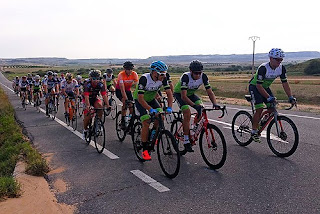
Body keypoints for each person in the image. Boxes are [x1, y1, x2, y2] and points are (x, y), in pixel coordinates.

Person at [249, 48, 296, 142]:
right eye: (277, 59)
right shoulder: (263, 68)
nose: (279, 62)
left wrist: (290, 96)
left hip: (265, 87)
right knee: (259, 108)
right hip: (255, 87)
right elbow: (259, 86)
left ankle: (262, 120)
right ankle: (254, 131)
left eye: (281, 60)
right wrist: (268, 97)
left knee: (272, 106)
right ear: (271, 58)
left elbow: (285, 83)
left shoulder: (281, 68)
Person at [173, 60, 220, 152]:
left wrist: (215, 103)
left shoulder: (204, 77)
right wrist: (194, 106)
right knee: (187, 114)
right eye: (196, 73)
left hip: (191, 94)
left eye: (199, 73)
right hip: (180, 94)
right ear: (191, 71)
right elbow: (183, 96)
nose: (198, 75)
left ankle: (193, 128)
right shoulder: (186, 77)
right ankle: (186, 140)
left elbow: (210, 92)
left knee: (201, 108)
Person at [133, 61, 173, 160]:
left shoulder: (163, 78)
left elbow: (169, 94)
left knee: (161, 117)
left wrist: (170, 107)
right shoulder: (144, 79)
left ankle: (153, 134)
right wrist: (150, 110)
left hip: (151, 99)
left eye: (165, 73)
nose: (164, 76)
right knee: (146, 121)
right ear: (154, 72)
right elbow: (141, 99)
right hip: (140, 101)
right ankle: (145, 150)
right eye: (162, 74)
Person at [82, 70, 111, 139]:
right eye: (94, 79)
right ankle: (85, 130)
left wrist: (108, 105)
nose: (96, 80)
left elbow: (104, 95)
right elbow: (86, 97)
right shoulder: (87, 84)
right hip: (86, 99)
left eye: (97, 78)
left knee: (100, 107)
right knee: (88, 116)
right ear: (91, 78)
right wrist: (88, 106)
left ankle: (98, 123)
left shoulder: (101, 84)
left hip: (94, 98)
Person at [115, 61, 139, 128]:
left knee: (131, 106)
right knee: (125, 103)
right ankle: (123, 120)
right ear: (125, 69)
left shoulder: (134, 74)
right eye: (128, 69)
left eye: (131, 69)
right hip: (119, 90)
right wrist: (125, 99)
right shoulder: (121, 74)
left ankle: (130, 119)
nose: (130, 70)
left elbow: (137, 86)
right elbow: (122, 89)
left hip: (128, 90)